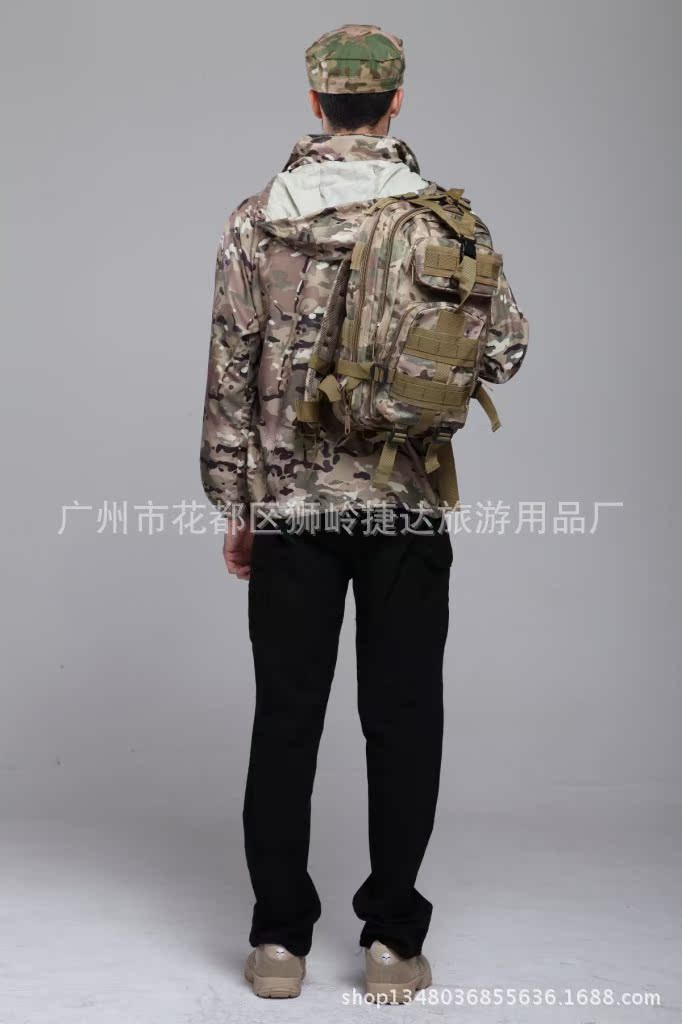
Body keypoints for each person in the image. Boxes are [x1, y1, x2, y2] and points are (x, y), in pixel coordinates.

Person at [200, 23, 528, 1002]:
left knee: (286, 717)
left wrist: (236, 502)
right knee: (404, 715)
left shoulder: (257, 220)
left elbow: (230, 373)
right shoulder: (443, 223)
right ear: (394, 103)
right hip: (406, 505)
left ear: (316, 101)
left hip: (290, 505)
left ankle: (277, 943)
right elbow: (504, 349)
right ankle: (391, 942)